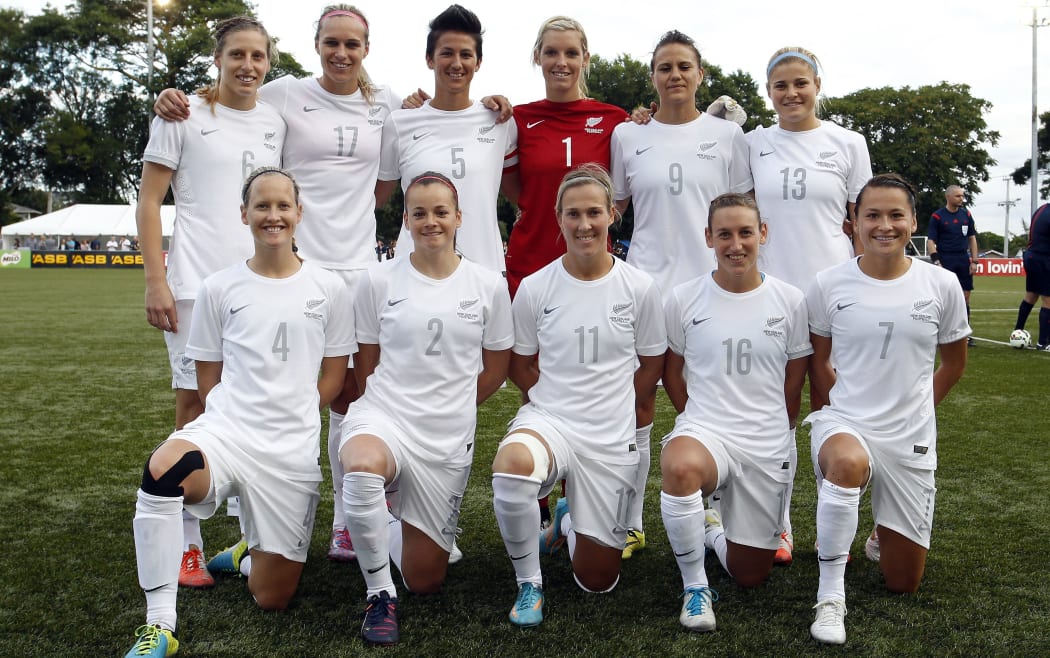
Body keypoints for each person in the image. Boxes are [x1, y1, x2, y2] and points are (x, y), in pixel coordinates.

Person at [154, 4, 401, 565]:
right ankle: (225, 530)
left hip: (355, 267)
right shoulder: (285, 93)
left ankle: (344, 520)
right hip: (280, 268)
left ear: (366, 48)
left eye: (352, 44)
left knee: (352, 393)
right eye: (330, 42)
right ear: (315, 45)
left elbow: (383, 189)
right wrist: (175, 97)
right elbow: (228, 98)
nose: (341, 53)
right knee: (226, 392)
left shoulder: (383, 101)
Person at [123, 167, 354, 658]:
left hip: (289, 452)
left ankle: (247, 553)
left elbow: (333, 378)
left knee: (273, 598)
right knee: (165, 468)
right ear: (244, 214)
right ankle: (160, 625)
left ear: (298, 213)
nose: (273, 216)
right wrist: (239, 410)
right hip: (227, 433)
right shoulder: (218, 287)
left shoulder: (330, 288)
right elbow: (208, 379)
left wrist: (291, 407)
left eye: (282, 206)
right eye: (262, 206)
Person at [136, 15, 285, 589]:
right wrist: (157, 280)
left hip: (259, 286)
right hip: (196, 286)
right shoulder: (182, 114)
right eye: (237, 55)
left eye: (258, 56)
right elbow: (150, 202)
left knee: (254, 404)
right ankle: (186, 547)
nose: (248, 66)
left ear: (269, 63)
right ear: (218, 60)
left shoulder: (274, 119)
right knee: (194, 408)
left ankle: (248, 535)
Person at [340, 171, 513, 646]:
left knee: (426, 579)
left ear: (459, 217)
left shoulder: (488, 284)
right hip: (385, 416)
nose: (431, 221)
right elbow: (367, 366)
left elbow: (496, 370)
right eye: (419, 212)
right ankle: (378, 594)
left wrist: (449, 405)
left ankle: (386, 521)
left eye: (441, 212)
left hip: (446, 436)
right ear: (406, 220)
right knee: (360, 466)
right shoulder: (376, 280)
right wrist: (393, 405)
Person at [490, 164, 665, 627]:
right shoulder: (535, 287)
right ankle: (529, 584)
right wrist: (549, 397)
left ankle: (567, 520)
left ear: (612, 214)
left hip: (609, 435)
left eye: (593, 212)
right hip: (550, 421)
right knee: (512, 467)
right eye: (573, 214)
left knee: (598, 580)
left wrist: (615, 406)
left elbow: (651, 364)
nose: (584, 224)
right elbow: (519, 362)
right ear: (558, 217)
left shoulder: (640, 287)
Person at [803, 173, 969, 645]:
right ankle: (831, 596)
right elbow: (819, 362)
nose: (884, 225)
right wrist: (832, 424)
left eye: (896, 215)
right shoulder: (828, 283)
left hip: (909, 436)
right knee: (847, 462)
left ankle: (881, 535)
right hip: (846, 422)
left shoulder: (942, 284)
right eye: (872, 215)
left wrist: (918, 412)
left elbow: (954, 365)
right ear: (852, 221)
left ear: (913, 221)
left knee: (903, 583)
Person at [610, 30, 752, 557]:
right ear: (653, 77)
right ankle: (628, 521)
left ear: (699, 74)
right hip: (644, 287)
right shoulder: (628, 136)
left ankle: (716, 508)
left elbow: (742, 211)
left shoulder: (728, 137)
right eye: (664, 67)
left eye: (684, 67)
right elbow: (615, 206)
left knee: (709, 402)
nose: (674, 75)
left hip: (709, 289)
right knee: (637, 402)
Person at [660, 193, 810, 632]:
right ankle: (694, 588)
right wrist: (696, 419)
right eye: (724, 234)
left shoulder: (791, 300)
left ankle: (710, 528)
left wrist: (776, 431)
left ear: (763, 234)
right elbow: (672, 375)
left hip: (764, 442)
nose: (736, 244)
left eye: (746, 232)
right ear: (708, 237)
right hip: (706, 431)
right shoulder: (684, 297)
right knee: (681, 465)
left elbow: (794, 380)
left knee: (751, 575)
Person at [748, 46, 873, 565]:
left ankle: (834, 522)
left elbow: (864, 221)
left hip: (833, 295)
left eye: (800, 83)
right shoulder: (752, 143)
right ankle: (778, 524)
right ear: (769, 92)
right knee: (778, 407)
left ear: (818, 85)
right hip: (772, 296)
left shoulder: (848, 143)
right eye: (780, 85)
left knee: (836, 407)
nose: (791, 93)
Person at [376, 5, 516, 275]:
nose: (456, 63)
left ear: (478, 62)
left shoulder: (500, 121)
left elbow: (525, 193)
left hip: (484, 272)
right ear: (429, 59)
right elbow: (373, 200)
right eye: (446, 53)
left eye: (466, 54)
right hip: (413, 272)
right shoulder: (400, 122)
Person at [928, 185, 979, 347]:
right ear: (948, 197)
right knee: (944, 299)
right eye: (958, 196)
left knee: (965, 298)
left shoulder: (967, 215)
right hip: (945, 259)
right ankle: (940, 332)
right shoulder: (937, 216)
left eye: (962, 196)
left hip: (963, 259)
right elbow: (931, 241)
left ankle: (964, 334)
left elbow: (972, 238)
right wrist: (937, 262)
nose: (961, 199)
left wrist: (974, 261)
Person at [1013, 203, 1050, 350]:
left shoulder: (1042, 209)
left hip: (1032, 256)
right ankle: (1043, 342)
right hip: (1044, 259)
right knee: (1048, 299)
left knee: (1031, 295)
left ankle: (1017, 332)